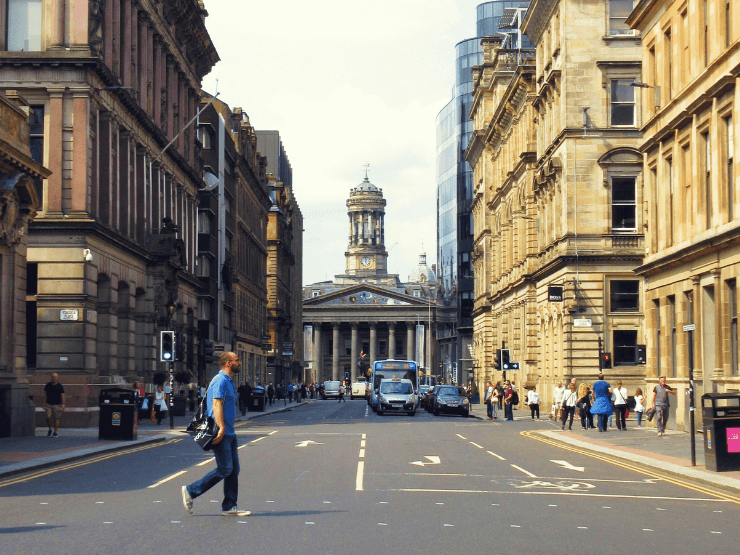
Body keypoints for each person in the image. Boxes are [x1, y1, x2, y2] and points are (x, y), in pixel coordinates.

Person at [182, 352, 250, 517]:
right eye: (237, 360)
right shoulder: (220, 380)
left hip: (229, 431)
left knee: (234, 470)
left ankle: (229, 505)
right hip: (222, 432)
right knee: (225, 468)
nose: (239, 362)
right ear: (228, 363)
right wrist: (220, 427)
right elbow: (216, 404)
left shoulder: (228, 381)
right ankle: (191, 491)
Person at [43, 373, 65, 437]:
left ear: (57, 378)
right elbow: (45, 395)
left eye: (55, 377)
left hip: (57, 404)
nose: (54, 378)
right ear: (51, 377)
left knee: (56, 418)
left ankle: (55, 431)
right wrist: (44, 404)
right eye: (53, 377)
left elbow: (63, 396)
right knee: (48, 417)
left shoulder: (60, 386)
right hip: (49, 404)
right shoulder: (48, 385)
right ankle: (50, 428)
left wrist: (63, 405)